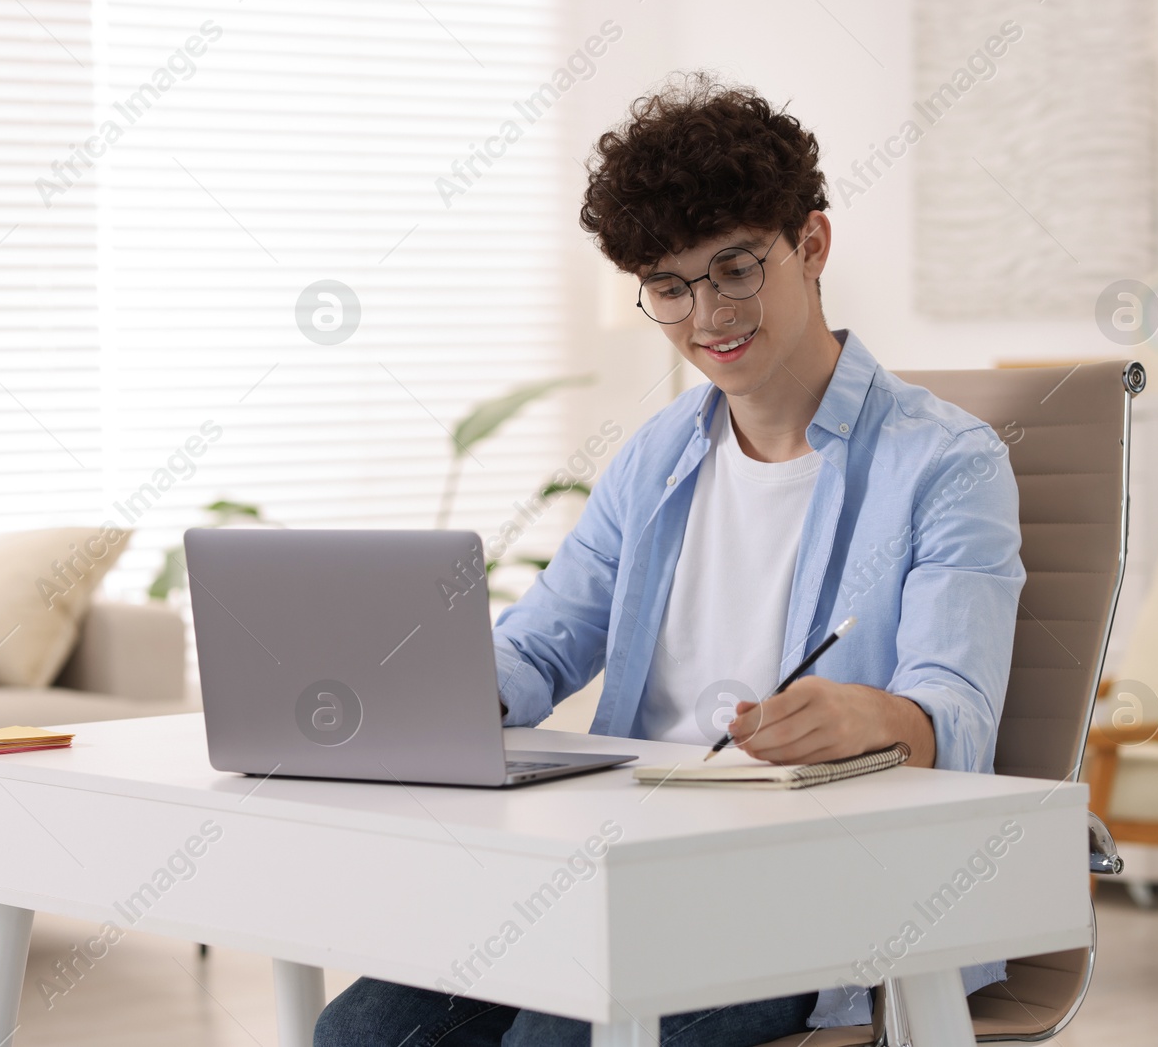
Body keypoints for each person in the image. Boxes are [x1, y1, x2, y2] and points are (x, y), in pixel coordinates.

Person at [315, 73, 1024, 1047]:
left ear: (811, 244)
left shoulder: (946, 464)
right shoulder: (656, 456)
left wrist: (868, 717)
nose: (705, 316)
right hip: (624, 871)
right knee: (361, 1032)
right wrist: (430, 689)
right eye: (668, 286)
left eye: (735, 269)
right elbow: (543, 642)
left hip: (812, 895)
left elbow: (958, 719)